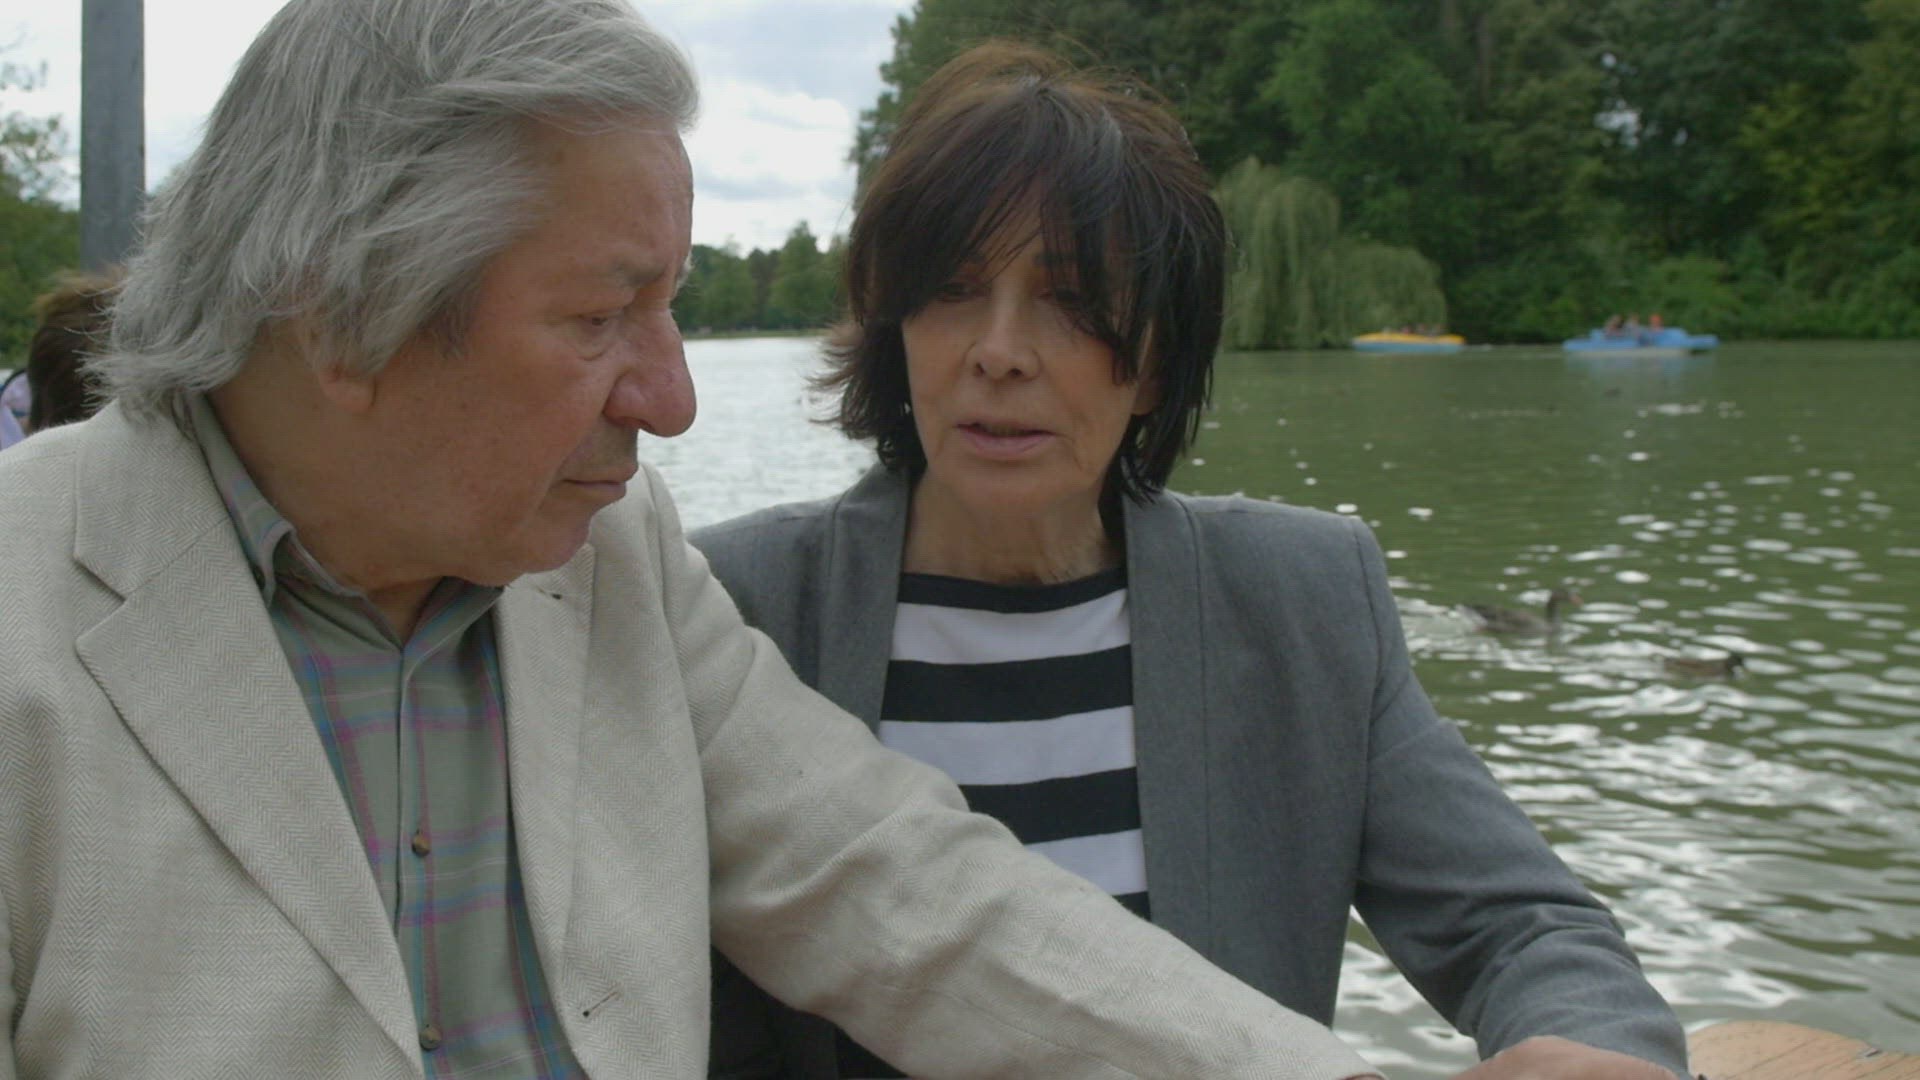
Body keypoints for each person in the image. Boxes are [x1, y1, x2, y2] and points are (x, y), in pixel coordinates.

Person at [0, 3, 1393, 1078]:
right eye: (601, 316)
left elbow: (903, 889)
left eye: (669, 306)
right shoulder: (25, 610)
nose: (672, 400)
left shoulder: (613, 558)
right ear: (341, 314)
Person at [691, 42, 1690, 1080]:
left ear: (1159, 363)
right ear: (895, 326)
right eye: (953, 290)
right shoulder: (734, 608)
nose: (998, 351)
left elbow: (1525, 929)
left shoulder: (1303, 599)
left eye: (1069, 299)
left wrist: (1595, 1052)